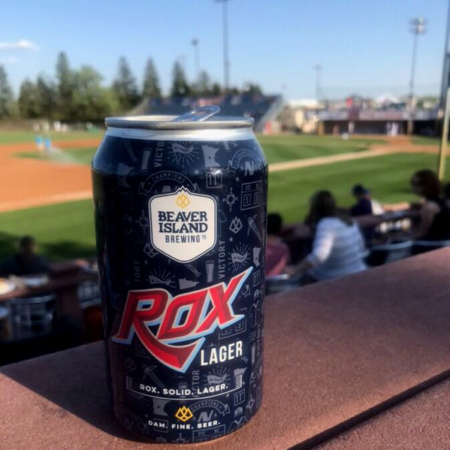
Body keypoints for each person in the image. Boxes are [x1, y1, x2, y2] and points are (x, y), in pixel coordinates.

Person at [290, 191, 367, 282]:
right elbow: (361, 247)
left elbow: (319, 255)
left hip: (335, 278)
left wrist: (295, 269)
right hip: (359, 271)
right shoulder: (349, 220)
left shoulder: (326, 224)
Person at [410, 170, 450, 240]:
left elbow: (422, 233)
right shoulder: (444, 201)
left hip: (434, 245)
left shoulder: (428, 207)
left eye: (416, 185)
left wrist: (403, 237)